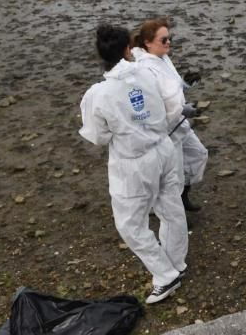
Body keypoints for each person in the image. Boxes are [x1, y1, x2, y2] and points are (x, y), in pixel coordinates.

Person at [79, 24, 188, 304]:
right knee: (170, 207)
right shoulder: (148, 72)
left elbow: (98, 137)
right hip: (163, 148)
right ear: (129, 49)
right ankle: (177, 262)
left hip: (133, 162)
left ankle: (165, 274)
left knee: (130, 224)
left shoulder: (99, 94)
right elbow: (172, 102)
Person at [131, 18, 208, 212]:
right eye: (163, 39)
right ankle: (171, 210)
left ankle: (182, 196)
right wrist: (181, 110)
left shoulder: (162, 58)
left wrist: (185, 83)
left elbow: (170, 89)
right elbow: (152, 104)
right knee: (173, 175)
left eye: (169, 38)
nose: (168, 42)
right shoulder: (144, 69)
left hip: (179, 122)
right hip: (166, 130)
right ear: (147, 42)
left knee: (198, 154)